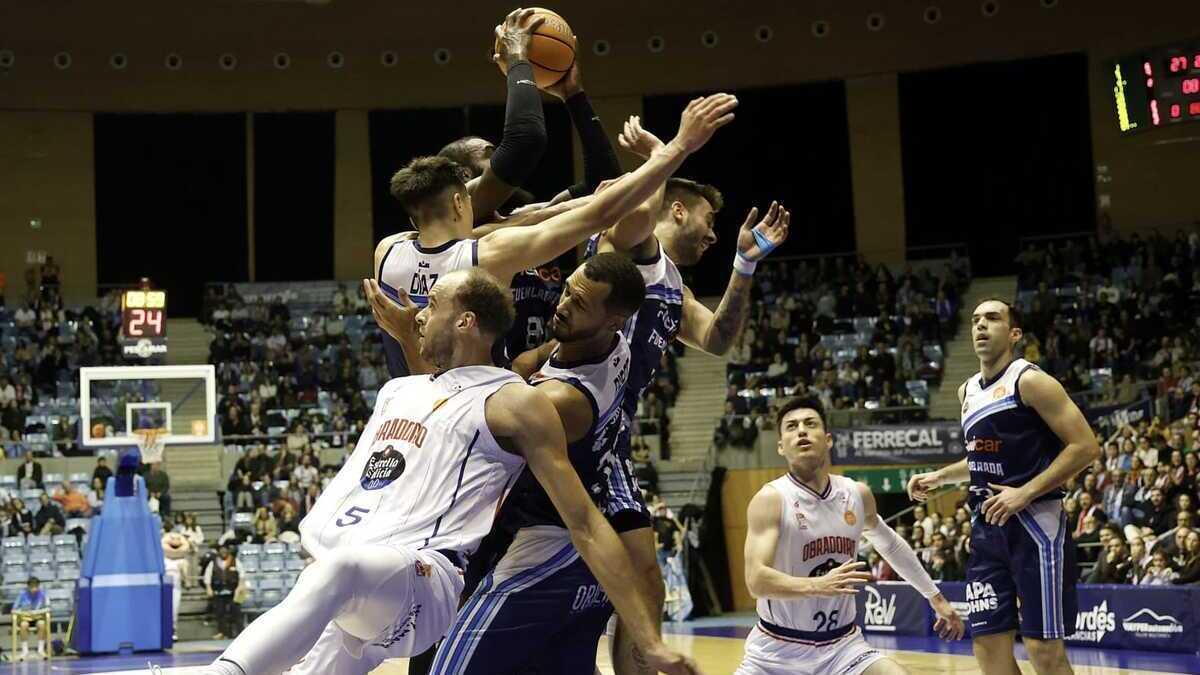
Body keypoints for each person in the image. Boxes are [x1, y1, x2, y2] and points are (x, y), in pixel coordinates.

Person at [197, 269, 696, 675]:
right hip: (369, 578)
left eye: (431, 304)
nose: (419, 313)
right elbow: (450, 402)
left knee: (340, 572)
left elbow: (586, 523)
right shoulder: (402, 390)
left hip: (427, 579)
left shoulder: (521, 402)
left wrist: (650, 641)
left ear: (465, 322)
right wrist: (407, 337)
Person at [587, 114, 792, 673]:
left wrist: (745, 263)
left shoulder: (674, 287)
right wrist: (666, 153)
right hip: (569, 423)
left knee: (647, 588)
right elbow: (631, 217)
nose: (713, 232)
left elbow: (719, 339)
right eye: (708, 218)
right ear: (676, 209)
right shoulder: (631, 245)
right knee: (577, 591)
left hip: (611, 443)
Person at [421, 253, 651, 673]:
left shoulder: (565, 401)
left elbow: (459, 409)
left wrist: (422, 339)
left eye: (579, 303)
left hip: (546, 545)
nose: (563, 304)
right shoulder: (613, 345)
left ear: (613, 321)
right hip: (584, 542)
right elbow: (539, 358)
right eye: (568, 291)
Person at [374, 8, 613, 379]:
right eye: (489, 155)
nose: (498, 158)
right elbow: (525, 142)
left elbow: (606, 185)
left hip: (536, 385)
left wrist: (574, 96)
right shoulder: (466, 234)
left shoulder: (518, 222)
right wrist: (519, 60)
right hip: (484, 390)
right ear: (464, 185)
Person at [907, 300, 1101, 675]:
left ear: (1014, 334)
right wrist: (939, 477)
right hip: (987, 531)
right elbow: (981, 457)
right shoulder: (966, 391)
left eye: (993, 319)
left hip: (1036, 527)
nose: (981, 325)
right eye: (975, 320)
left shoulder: (1030, 381)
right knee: (988, 646)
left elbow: (1085, 447)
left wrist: (1024, 492)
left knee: (1042, 650)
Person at [736, 398, 963, 675]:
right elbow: (756, 580)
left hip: (843, 648)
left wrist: (935, 597)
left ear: (828, 439)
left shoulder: (856, 493)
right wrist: (818, 585)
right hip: (776, 652)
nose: (802, 431)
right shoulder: (771, 499)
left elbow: (890, 545)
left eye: (810, 424)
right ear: (781, 446)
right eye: (792, 427)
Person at [12, 576, 49, 660]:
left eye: (36, 586)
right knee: (23, 625)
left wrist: (37, 612)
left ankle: (40, 650)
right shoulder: (22, 594)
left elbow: (48, 608)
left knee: (42, 624)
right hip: (25, 618)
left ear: (38, 586)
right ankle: (25, 651)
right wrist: (23, 612)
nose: (34, 588)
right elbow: (13, 610)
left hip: (38, 617)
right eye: (32, 586)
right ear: (28, 586)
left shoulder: (43, 594)